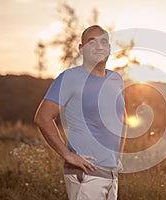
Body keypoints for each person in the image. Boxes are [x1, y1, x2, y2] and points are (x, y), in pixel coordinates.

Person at [34, 25, 126, 200]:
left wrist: (118, 158)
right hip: (86, 173)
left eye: (104, 42)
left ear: (109, 48)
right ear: (81, 49)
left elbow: (123, 119)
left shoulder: (116, 79)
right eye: (92, 42)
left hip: (112, 173)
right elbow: (42, 117)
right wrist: (67, 155)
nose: (99, 46)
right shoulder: (70, 78)